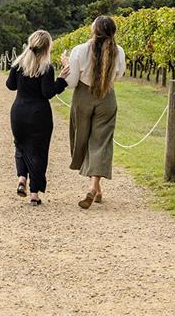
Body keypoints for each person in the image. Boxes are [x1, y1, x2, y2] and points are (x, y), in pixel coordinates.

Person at [62, 15, 126, 209]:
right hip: (107, 97)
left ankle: (94, 187)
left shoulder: (79, 50)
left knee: (81, 138)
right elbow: (119, 75)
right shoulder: (119, 52)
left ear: (94, 30)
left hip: (83, 97)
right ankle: (95, 188)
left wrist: (65, 64)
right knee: (101, 142)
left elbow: (71, 83)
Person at [6, 30, 70, 205]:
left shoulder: (18, 64)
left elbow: (10, 85)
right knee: (39, 152)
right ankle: (34, 193)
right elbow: (48, 92)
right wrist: (62, 79)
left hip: (18, 112)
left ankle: (21, 178)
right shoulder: (46, 68)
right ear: (47, 47)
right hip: (39, 114)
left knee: (20, 147)